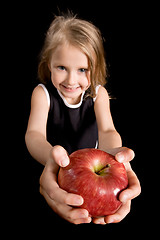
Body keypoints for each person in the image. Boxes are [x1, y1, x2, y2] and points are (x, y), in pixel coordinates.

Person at [25, 14, 141, 225]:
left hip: (93, 173)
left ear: (95, 68)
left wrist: (113, 156)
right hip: (54, 171)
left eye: (82, 70)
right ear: (48, 63)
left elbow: (107, 131)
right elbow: (34, 135)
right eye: (61, 68)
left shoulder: (98, 94)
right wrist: (51, 156)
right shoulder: (42, 94)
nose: (71, 80)